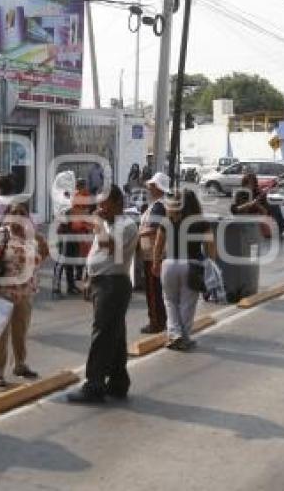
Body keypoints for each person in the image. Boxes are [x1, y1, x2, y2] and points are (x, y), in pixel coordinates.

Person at [67, 185, 138, 404]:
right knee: (114, 335)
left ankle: (94, 385)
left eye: (103, 203)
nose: (100, 208)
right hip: (102, 281)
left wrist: (98, 226)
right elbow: (96, 253)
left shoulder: (126, 225)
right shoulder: (107, 224)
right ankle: (118, 382)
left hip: (113, 284)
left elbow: (111, 249)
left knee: (102, 334)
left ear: (118, 203)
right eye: (98, 204)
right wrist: (89, 278)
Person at [0, 202, 46, 387]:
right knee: (0, 335)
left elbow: (40, 259)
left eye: (22, 213)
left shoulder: (31, 236)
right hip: (4, 291)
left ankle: (20, 364)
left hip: (25, 292)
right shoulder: (2, 234)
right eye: (14, 213)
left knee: (21, 331)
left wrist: (42, 245)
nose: (18, 216)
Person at [153, 189, 216, 350]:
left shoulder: (167, 220)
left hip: (169, 264)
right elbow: (211, 248)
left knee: (169, 301)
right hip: (191, 265)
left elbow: (158, 245)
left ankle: (174, 334)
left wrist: (155, 263)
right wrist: (210, 264)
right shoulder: (201, 222)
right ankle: (184, 338)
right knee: (187, 304)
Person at [138, 172, 169, 334]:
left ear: (157, 188)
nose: (149, 188)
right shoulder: (157, 204)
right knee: (156, 290)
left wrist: (136, 234)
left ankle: (156, 322)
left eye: (151, 186)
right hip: (154, 254)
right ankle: (160, 320)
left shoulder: (158, 206)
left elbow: (153, 228)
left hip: (153, 255)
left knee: (153, 290)